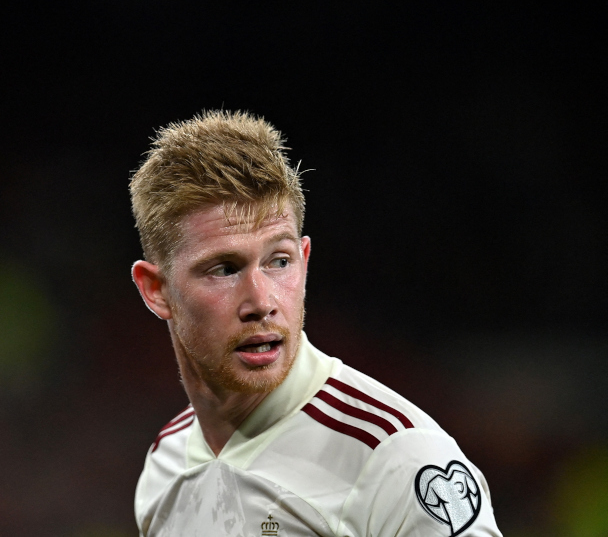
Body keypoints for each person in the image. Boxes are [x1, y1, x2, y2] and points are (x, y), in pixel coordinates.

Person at [129, 111, 501, 537]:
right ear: (155, 289)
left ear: (304, 262)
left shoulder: (397, 458)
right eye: (223, 268)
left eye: (279, 261)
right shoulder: (166, 459)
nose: (261, 302)